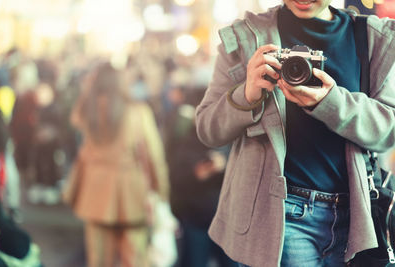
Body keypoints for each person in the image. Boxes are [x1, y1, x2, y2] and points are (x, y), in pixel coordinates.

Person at [195, 1, 395, 266]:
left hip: (355, 218)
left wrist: (329, 102)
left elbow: (388, 132)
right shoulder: (247, 35)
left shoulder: (373, 38)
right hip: (278, 216)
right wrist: (247, 94)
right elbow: (207, 129)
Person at [64, 62, 169, 267]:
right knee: (135, 258)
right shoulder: (137, 112)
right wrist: (162, 193)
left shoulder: (87, 111)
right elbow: (154, 157)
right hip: (131, 193)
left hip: (94, 192)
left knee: (99, 259)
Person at [165, 88, 236, 267]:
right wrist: (196, 173)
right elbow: (174, 176)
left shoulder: (230, 135)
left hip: (226, 218)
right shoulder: (184, 139)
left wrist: (225, 163)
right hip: (195, 218)